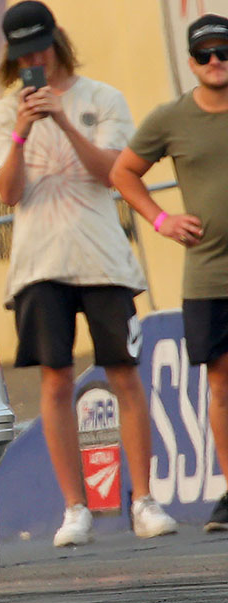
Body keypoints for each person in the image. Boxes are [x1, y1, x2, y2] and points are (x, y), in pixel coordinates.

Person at [0, 1, 177, 547]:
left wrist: (63, 120)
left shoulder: (102, 98)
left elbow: (112, 173)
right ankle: (74, 507)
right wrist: (23, 129)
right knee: (56, 378)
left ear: (57, 40)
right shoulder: (5, 112)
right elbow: (9, 192)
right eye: (23, 55)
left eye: (40, 49)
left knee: (123, 374)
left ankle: (143, 500)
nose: (33, 62)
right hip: (39, 264)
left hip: (103, 258)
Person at [111, 14, 228, 532]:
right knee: (221, 384)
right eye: (204, 54)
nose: (215, 61)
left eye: (224, 51)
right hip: (208, 275)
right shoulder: (171, 118)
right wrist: (161, 220)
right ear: (190, 63)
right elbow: (123, 172)